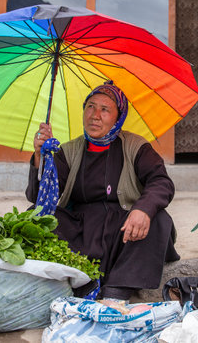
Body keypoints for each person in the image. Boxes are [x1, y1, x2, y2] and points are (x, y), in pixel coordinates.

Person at [25, 81, 180, 301]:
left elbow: (161, 182)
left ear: (118, 118)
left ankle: (117, 290)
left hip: (124, 230)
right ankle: (82, 282)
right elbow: (39, 197)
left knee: (158, 219)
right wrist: (42, 158)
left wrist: (143, 209)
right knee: (37, 217)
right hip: (82, 231)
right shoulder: (68, 151)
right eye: (90, 106)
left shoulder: (136, 147)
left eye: (105, 110)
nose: (95, 115)